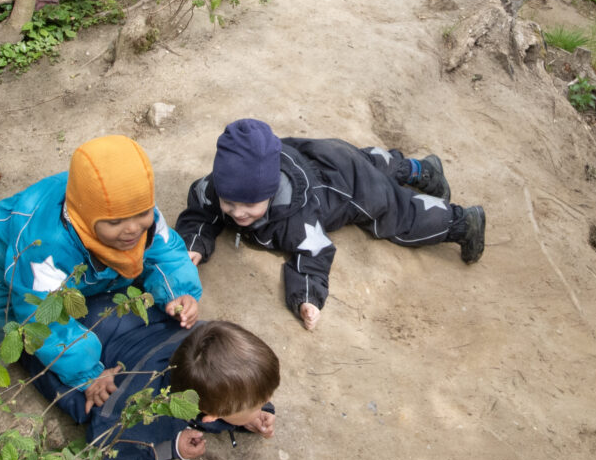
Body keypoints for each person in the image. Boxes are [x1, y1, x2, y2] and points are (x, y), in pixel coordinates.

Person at [0, 135, 201, 403]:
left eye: (142, 213)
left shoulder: (133, 209)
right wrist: (87, 374)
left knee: (124, 281)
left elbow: (166, 250)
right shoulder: (44, 248)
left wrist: (179, 292)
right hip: (7, 256)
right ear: (85, 214)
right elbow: (43, 321)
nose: (132, 229)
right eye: (116, 222)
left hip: (70, 264)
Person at [176, 118, 486, 331]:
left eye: (249, 206)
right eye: (229, 204)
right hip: (321, 152)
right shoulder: (218, 187)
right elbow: (200, 211)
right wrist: (193, 246)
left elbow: (315, 253)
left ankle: (462, 222)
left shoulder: (295, 216)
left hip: (347, 186)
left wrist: (307, 297)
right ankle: (423, 170)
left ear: (271, 193)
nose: (237, 214)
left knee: (396, 212)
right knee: (376, 161)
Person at [68, 304, 279, 460]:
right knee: (79, 403)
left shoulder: (203, 339)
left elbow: (227, 380)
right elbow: (102, 452)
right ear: (211, 416)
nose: (265, 404)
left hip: (117, 318)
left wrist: (249, 413)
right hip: (75, 344)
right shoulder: (142, 412)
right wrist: (172, 447)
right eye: (259, 403)